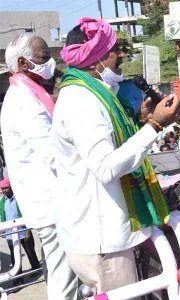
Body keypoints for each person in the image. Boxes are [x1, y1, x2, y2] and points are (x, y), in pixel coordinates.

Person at [54, 18, 180, 294]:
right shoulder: (83, 101)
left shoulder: (95, 94)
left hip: (106, 237)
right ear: (94, 58)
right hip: (102, 241)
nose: (121, 55)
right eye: (114, 50)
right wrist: (154, 126)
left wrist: (143, 121)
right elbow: (105, 166)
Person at [1, 33, 78, 299]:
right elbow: (54, 153)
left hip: (52, 201)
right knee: (63, 278)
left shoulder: (29, 93)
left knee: (68, 275)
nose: (51, 63)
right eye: (44, 58)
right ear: (23, 63)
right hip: (51, 204)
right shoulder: (24, 101)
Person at [0, 178, 41, 285]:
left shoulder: (20, 199)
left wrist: (28, 231)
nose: (3, 191)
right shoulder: (2, 201)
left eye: (5, 188)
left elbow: (27, 215)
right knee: (14, 257)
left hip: (23, 232)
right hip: (10, 235)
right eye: (2, 189)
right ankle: (18, 280)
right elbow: (1, 215)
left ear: (11, 187)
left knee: (30, 252)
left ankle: (36, 269)